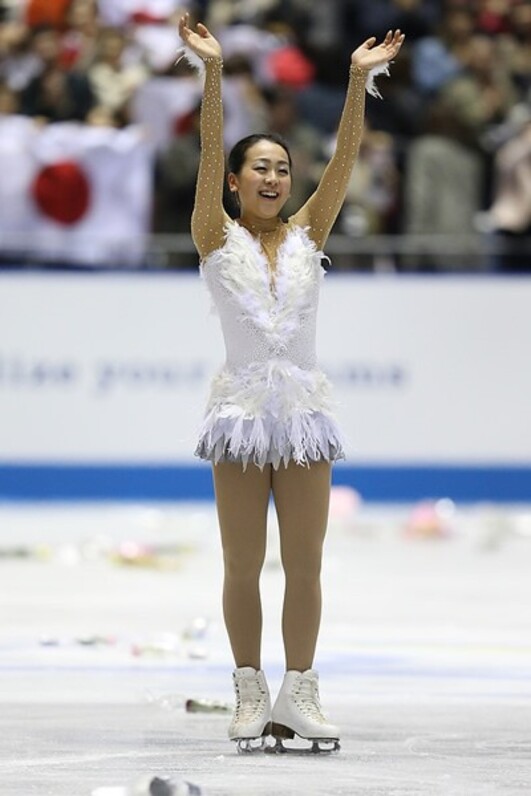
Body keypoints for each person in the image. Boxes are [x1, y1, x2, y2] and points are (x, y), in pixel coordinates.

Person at [178, 13, 404, 753]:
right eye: (259, 168)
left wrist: (356, 80)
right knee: (243, 564)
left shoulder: (310, 232)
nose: (273, 178)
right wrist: (214, 74)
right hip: (241, 414)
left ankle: (299, 692)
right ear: (235, 181)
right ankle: (249, 691)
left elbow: (345, 157)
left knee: (305, 565)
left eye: (281, 168)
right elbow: (209, 148)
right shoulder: (213, 236)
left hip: (305, 414)